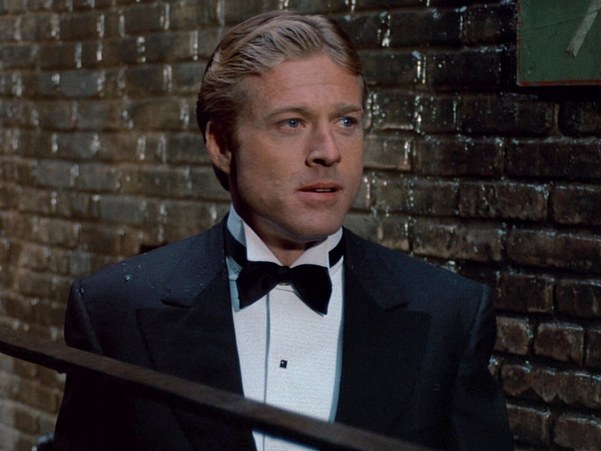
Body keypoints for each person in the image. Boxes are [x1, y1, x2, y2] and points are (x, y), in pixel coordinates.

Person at [53, 10, 512, 451]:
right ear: (221, 144)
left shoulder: (451, 314)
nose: (328, 151)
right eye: (292, 122)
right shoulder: (114, 310)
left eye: (346, 121)